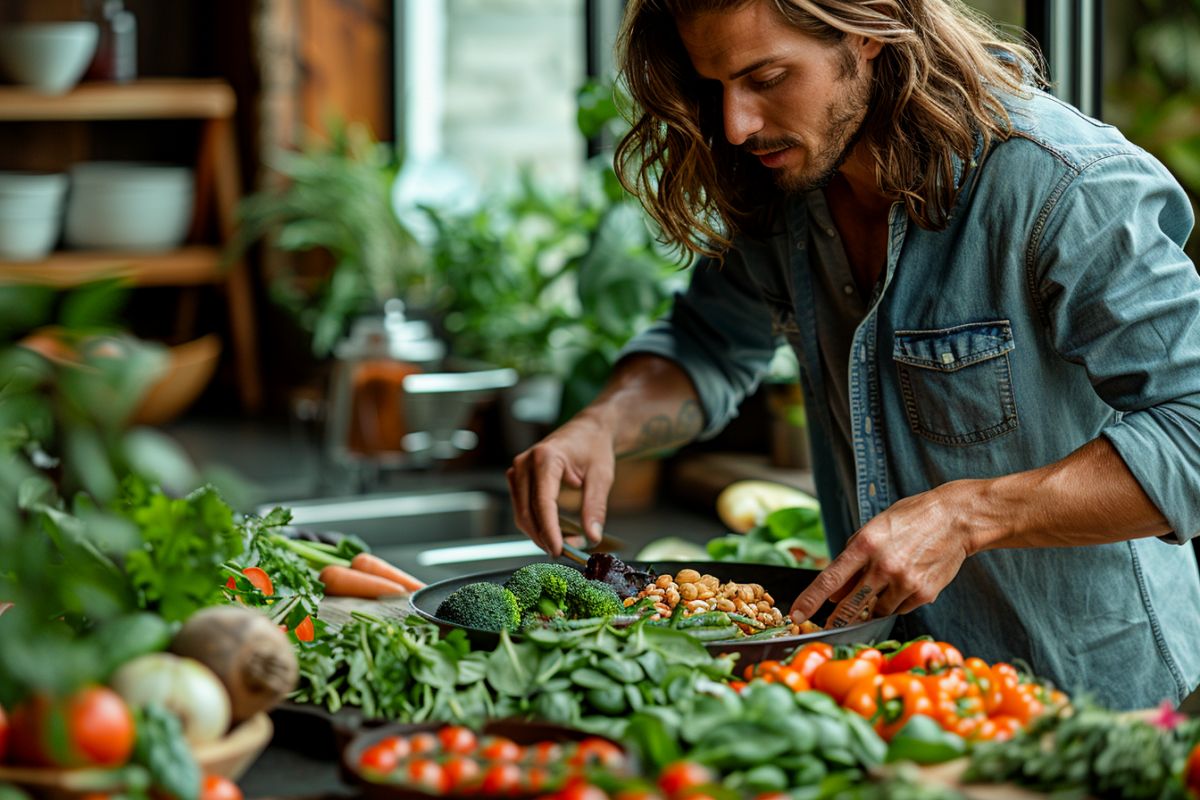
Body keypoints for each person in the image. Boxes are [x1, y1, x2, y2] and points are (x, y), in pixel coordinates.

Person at [505, 0, 1200, 711]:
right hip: (881, 689)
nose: (736, 124)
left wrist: (966, 516)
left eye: (768, 77)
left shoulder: (1064, 184)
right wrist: (604, 424)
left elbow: (1193, 434)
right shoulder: (784, 184)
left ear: (869, 30)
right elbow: (708, 343)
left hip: (1095, 703)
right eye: (714, 86)